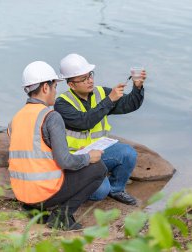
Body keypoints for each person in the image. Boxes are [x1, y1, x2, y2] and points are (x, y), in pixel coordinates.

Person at [8, 61, 106, 231]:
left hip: (22, 194)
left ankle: (35, 211)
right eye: (54, 87)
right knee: (99, 168)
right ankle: (61, 217)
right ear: (45, 87)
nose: (55, 92)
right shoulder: (51, 117)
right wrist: (89, 157)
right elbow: (65, 162)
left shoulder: (15, 119)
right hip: (43, 193)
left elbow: (33, 155)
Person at [54, 53, 147, 205]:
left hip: (100, 152)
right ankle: (82, 183)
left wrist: (137, 87)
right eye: (83, 78)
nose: (90, 80)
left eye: (90, 75)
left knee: (128, 153)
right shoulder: (62, 104)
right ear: (71, 84)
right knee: (99, 193)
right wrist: (110, 100)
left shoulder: (101, 93)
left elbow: (129, 105)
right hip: (77, 160)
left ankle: (116, 189)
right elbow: (84, 122)